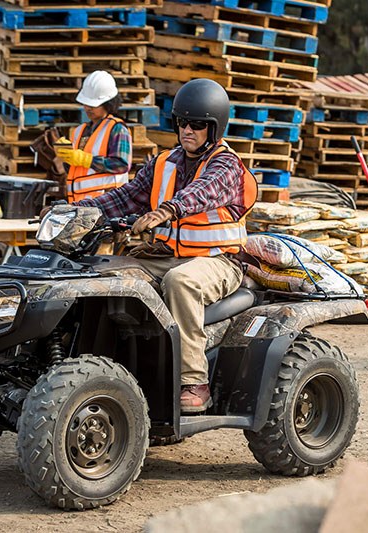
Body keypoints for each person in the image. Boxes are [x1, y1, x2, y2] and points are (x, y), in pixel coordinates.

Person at [75, 78, 258, 412]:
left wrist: (168, 209)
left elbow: (204, 191)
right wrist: (75, 210)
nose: (187, 129)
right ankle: (98, 369)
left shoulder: (227, 164)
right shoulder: (164, 162)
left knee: (181, 283)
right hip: (166, 256)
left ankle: (194, 382)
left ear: (214, 128)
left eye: (198, 124)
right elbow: (126, 196)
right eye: (182, 122)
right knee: (102, 274)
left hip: (219, 261)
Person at [33, 70, 132, 202]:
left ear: (108, 103)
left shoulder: (117, 129)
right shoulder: (79, 131)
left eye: (93, 104)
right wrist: (65, 157)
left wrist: (87, 160)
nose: (88, 108)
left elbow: (121, 165)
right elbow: (75, 170)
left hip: (109, 202)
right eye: (86, 103)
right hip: (80, 202)